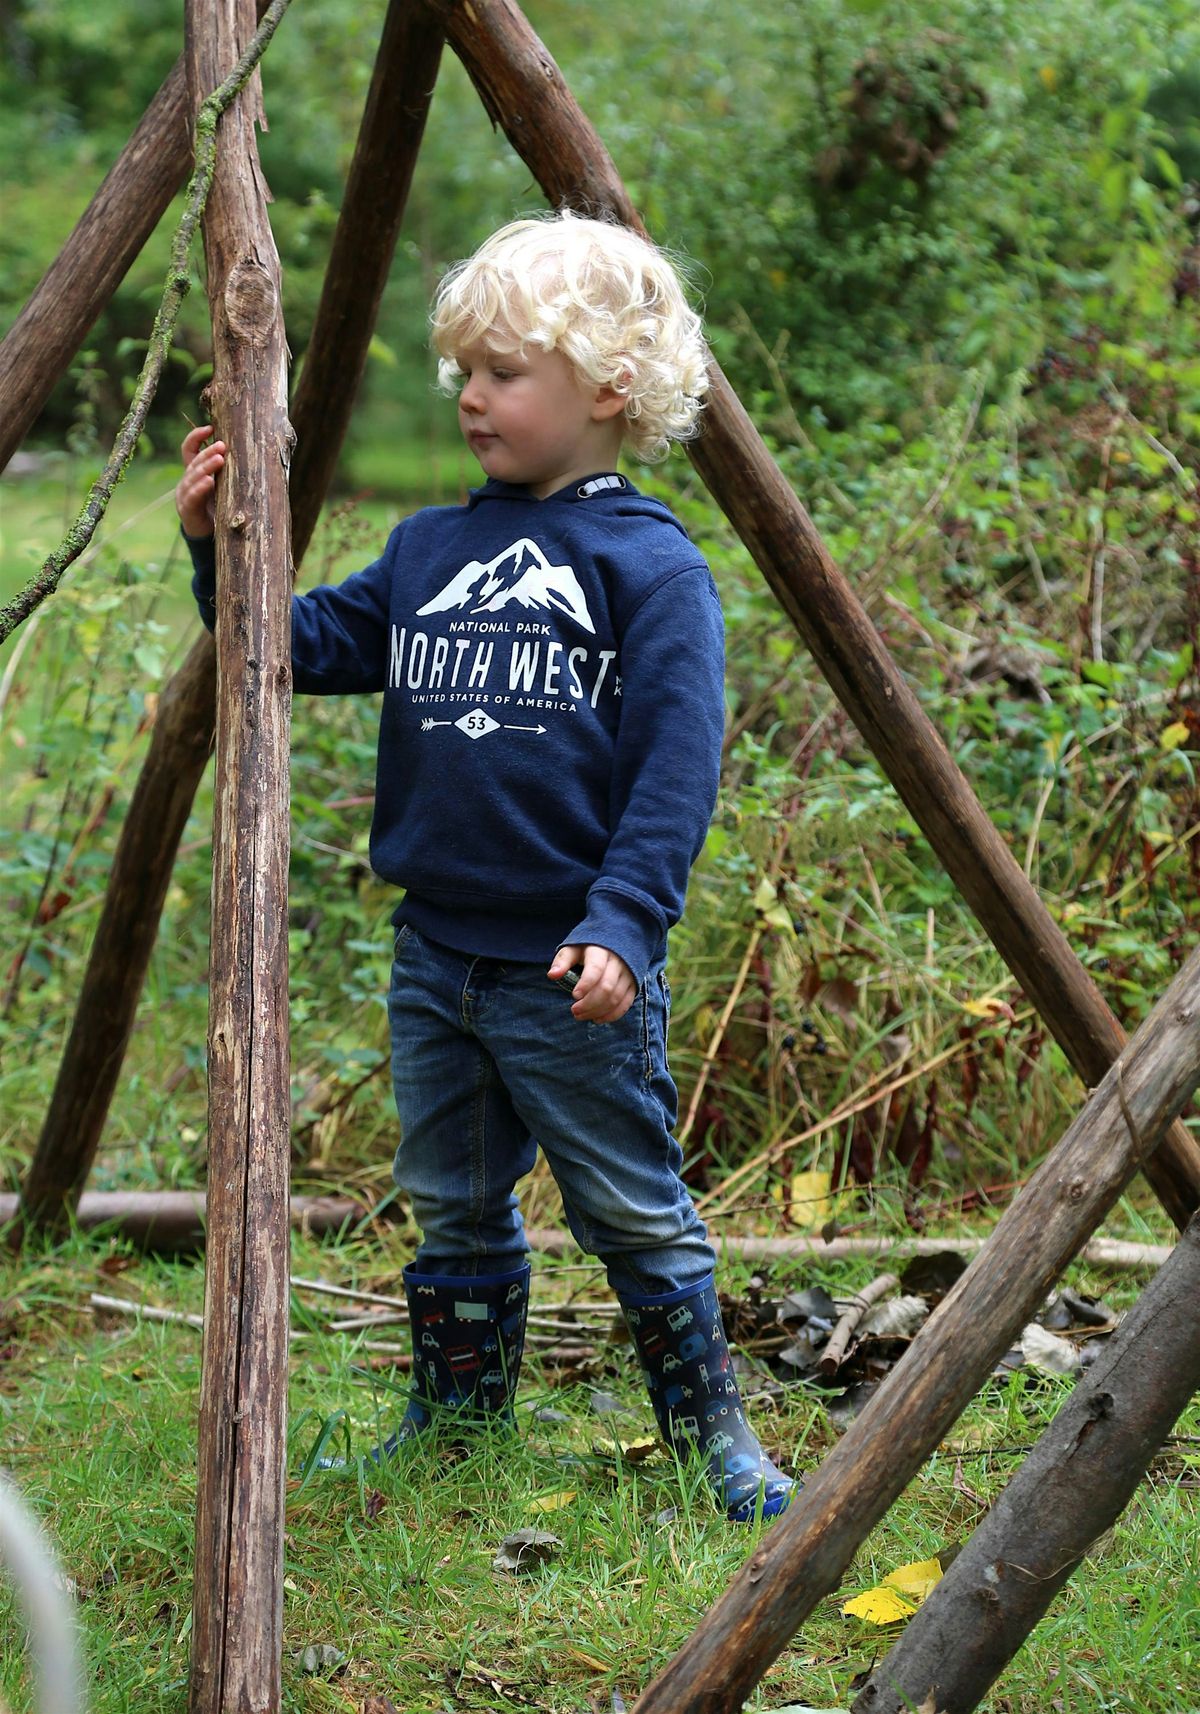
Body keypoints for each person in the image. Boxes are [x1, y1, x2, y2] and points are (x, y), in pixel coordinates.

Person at [177, 211, 793, 1523]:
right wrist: (216, 546)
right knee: (451, 1199)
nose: (468, 394)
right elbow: (287, 646)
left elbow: (675, 775)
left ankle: (713, 1439)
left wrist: (626, 922)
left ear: (608, 390)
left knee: (631, 1204)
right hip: (436, 959)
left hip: (569, 964)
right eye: (464, 368)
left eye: (503, 371)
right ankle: (458, 1419)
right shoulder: (426, 554)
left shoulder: (653, 570)